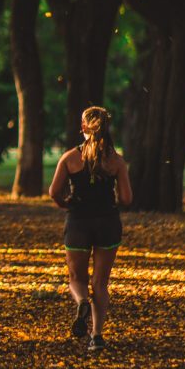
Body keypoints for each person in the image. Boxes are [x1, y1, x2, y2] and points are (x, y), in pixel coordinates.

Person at [48, 106, 132, 351]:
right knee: (101, 283)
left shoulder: (70, 158)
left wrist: (65, 204)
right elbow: (126, 198)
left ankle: (82, 301)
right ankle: (96, 336)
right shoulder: (116, 161)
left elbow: (54, 192)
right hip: (107, 222)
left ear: (84, 127)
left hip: (78, 222)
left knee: (77, 278)